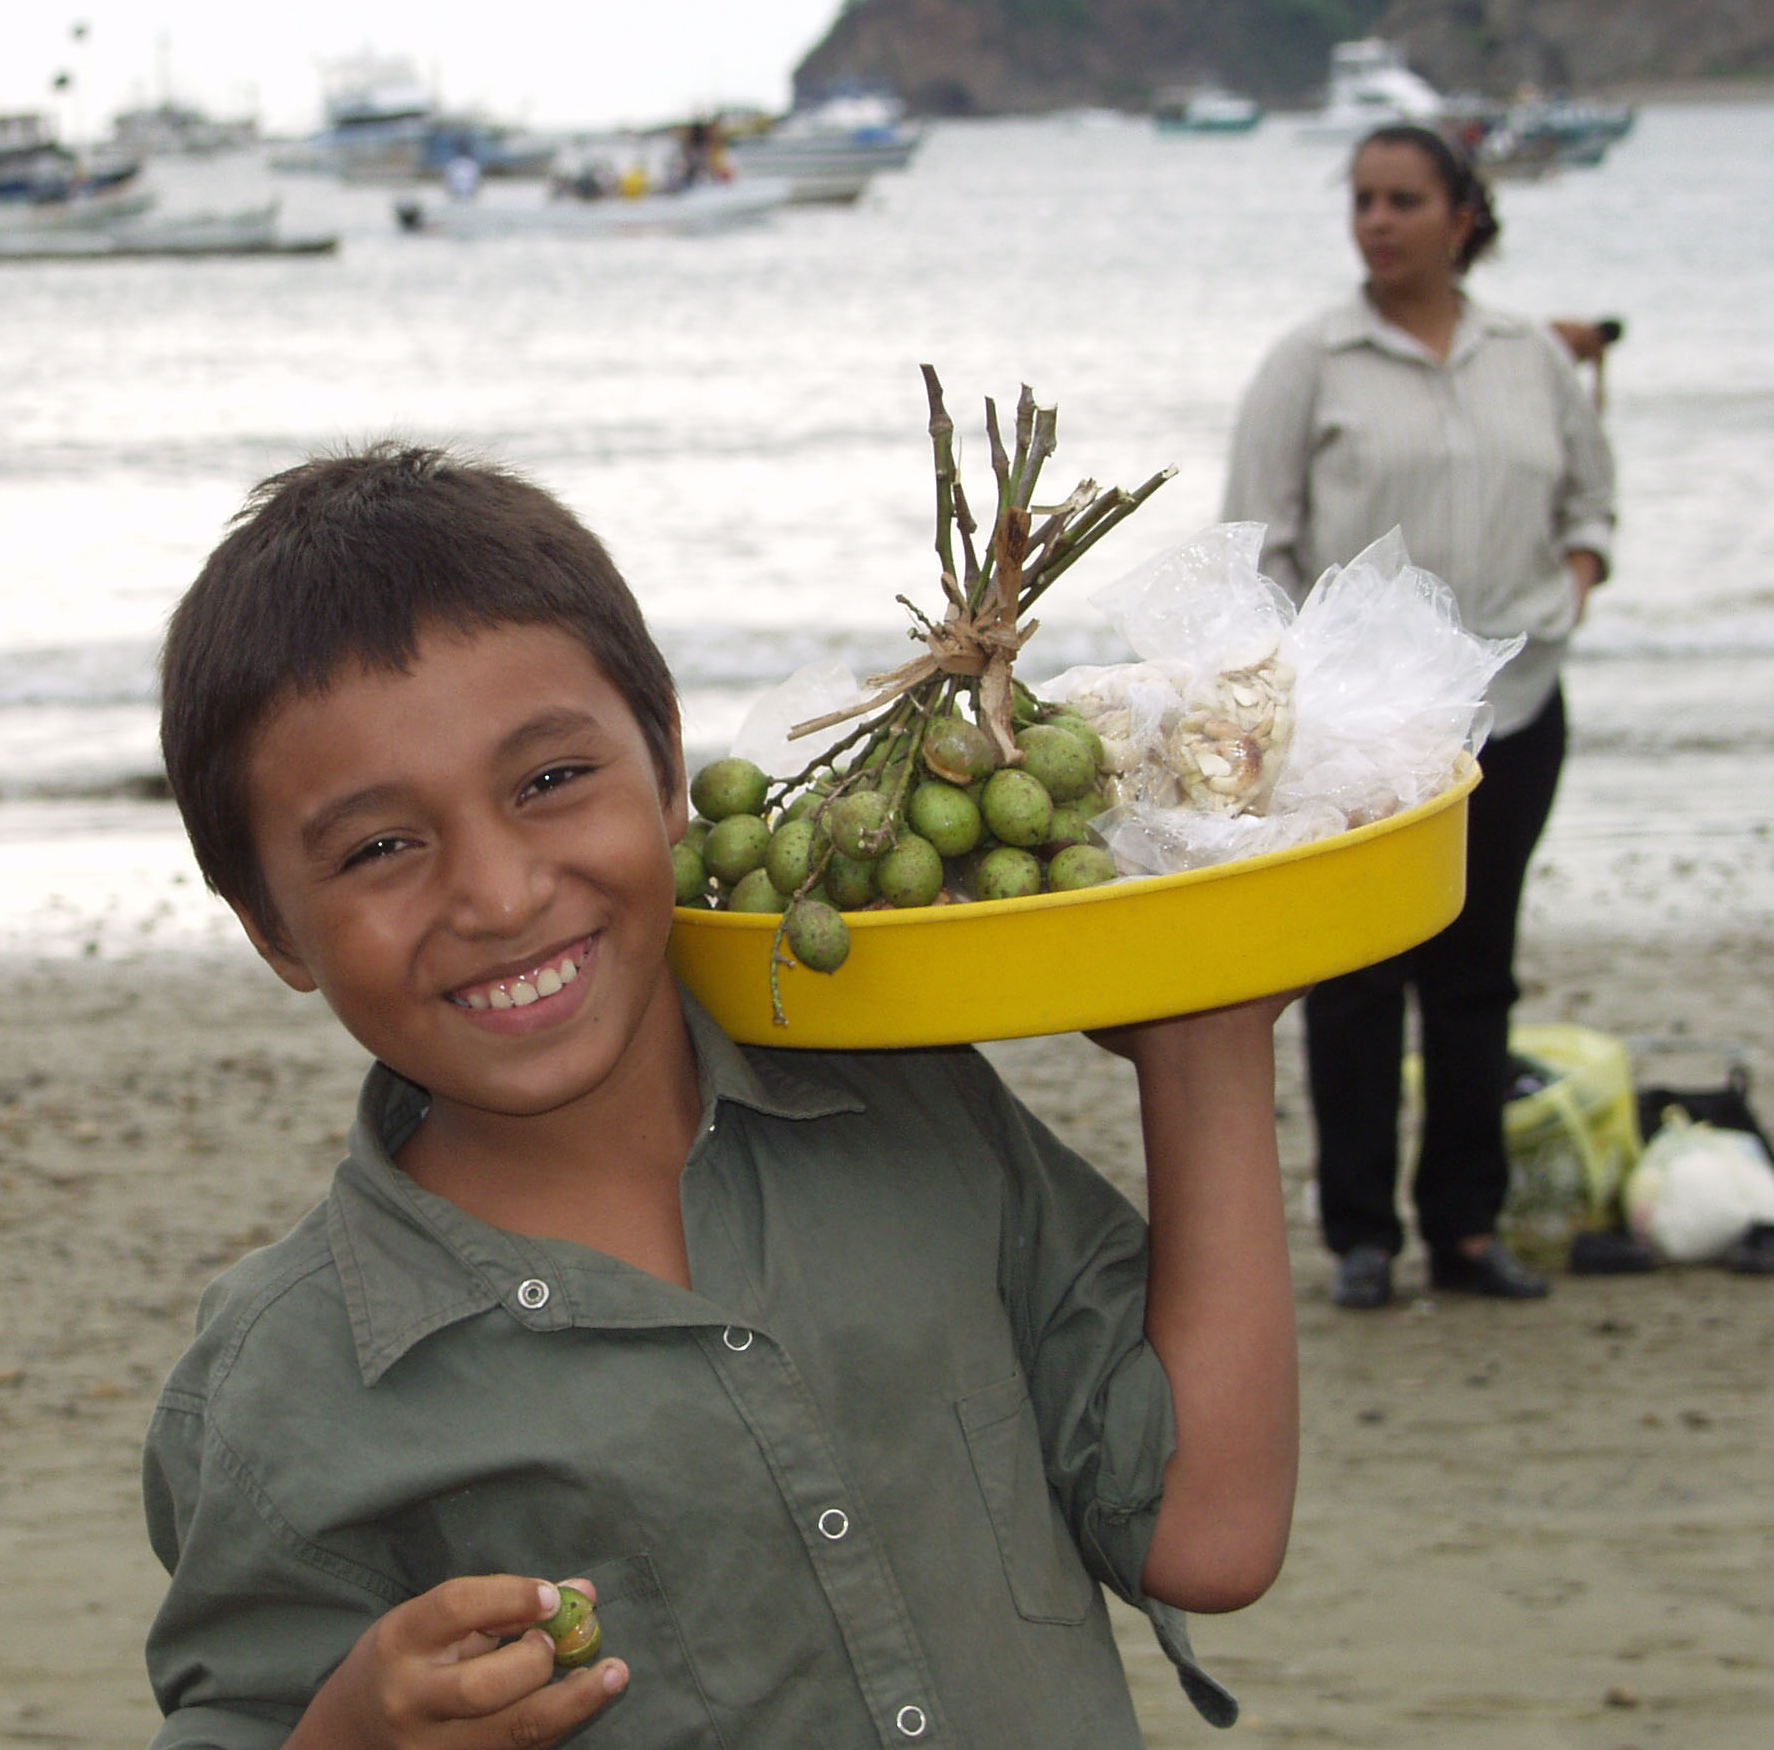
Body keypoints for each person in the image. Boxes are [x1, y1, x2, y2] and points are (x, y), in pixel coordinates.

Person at [143, 444, 1302, 1746]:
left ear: (670, 767)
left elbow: (1206, 1532)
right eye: (379, 848)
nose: (501, 893)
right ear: (273, 931)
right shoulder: (282, 1388)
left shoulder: (908, 1105)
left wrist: (1208, 1045)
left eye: (547, 782)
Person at [1222, 125, 1617, 1313]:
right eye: (1361, 200)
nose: (1376, 221)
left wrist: (1573, 589)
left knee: (1474, 975)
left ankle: (1465, 1228)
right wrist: (1303, 683)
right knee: (1352, 981)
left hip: (1517, 707)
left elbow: (1591, 498)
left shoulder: (1528, 357)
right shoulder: (1311, 360)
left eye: (1402, 200)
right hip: (1358, 733)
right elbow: (1254, 539)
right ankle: (1359, 1237)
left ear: (1461, 217)